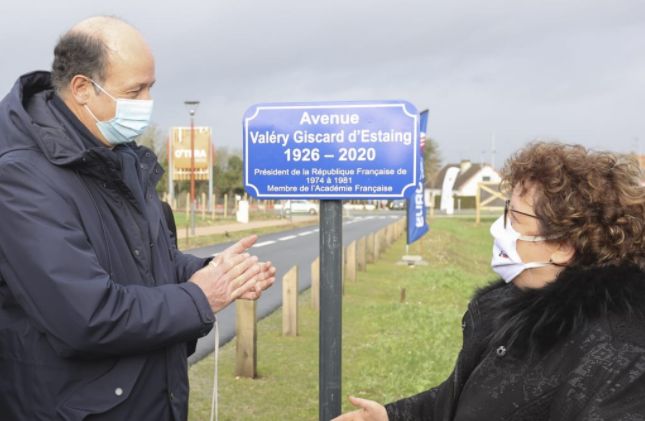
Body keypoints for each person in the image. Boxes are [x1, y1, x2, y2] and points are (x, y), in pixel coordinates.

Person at [0, 16, 275, 420]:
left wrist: (213, 271)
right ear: (82, 89)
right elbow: (85, 317)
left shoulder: (119, 157)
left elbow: (143, 259)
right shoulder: (21, 178)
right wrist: (201, 296)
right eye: (135, 90)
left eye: (151, 87)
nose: (146, 103)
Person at [333, 142, 645, 420]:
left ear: (563, 247)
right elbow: (460, 400)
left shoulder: (620, 355)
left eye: (515, 218)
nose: (499, 228)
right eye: (505, 209)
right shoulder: (510, 310)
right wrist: (391, 416)